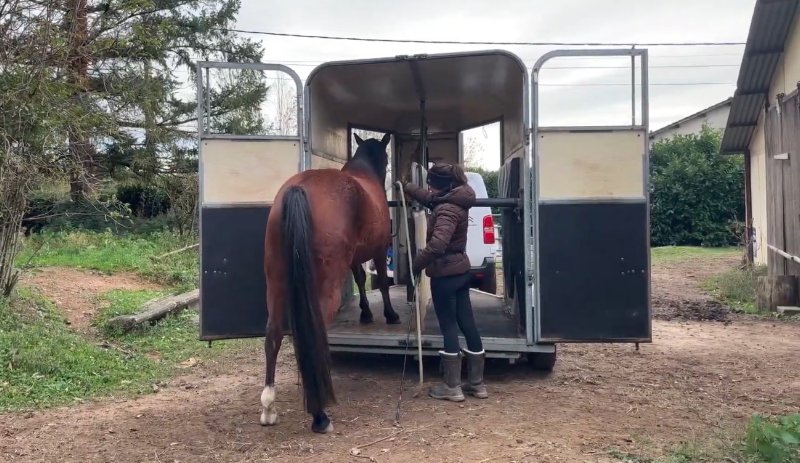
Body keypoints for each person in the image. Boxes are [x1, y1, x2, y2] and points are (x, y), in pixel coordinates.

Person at [402, 163, 488, 402]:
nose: (429, 187)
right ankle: (477, 384)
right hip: (460, 270)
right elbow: (429, 198)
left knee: (449, 326)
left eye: (431, 183)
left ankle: (452, 387)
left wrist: (417, 263)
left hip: (445, 274)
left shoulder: (447, 209)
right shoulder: (456, 198)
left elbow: (438, 244)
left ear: (442, 185)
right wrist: (407, 186)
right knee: (467, 323)